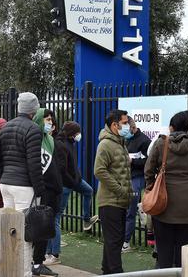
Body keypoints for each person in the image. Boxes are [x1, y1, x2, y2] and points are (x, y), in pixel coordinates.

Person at [144, 111, 188, 267]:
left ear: (172, 128)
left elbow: (148, 170)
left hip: (163, 202)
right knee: (185, 248)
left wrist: (151, 188)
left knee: (164, 250)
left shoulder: (161, 144)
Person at [0, 92, 43, 277]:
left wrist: (4, 175)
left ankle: (8, 269)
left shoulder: (5, 128)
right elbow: (34, 164)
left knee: (9, 229)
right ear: (34, 109)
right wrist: (39, 190)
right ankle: (25, 273)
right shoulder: (34, 129)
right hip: (24, 187)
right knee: (25, 232)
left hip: (6, 184)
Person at [46, 121, 96, 266]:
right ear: (72, 133)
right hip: (65, 184)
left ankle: (86, 219)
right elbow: (62, 169)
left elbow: (72, 165)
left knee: (89, 191)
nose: (79, 135)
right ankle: (53, 253)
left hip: (74, 180)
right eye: (77, 132)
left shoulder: (70, 143)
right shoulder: (61, 145)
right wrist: (73, 182)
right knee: (56, 217)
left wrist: (78, 178)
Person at [93, 109, 133, 275]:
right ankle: (116, 272)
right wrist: (120, 190)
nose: (128, 126)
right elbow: (99, 170)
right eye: (125, 123)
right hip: (110, 201)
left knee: (113, 241)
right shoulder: (106, 144)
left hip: (120, 201)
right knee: (114, 241)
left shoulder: (119, 142)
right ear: (115, 125)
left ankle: (107, 271)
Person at [31, 109, 62, 277]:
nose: (49, 122)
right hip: (41, 191)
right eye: (46, 119)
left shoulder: (50, 139)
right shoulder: (34, 140)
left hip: (53, 190)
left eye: (51, 119)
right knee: (37, 228)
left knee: (46, 228)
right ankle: (35, 262)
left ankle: (38, 261)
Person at [123, 116, 152, 252]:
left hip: (137, 177)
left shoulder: (144, 141)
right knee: (123, 208)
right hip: (124, 177)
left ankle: (126, 241)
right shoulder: (124, 138)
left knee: (130, 208)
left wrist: (133, 162)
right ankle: (141, 209)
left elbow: (149, 161)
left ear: (133, 127)